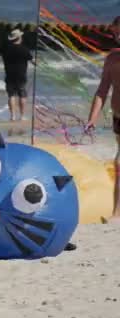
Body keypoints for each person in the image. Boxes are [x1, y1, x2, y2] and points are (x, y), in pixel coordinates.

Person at [85, 16, 120, 221]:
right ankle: (116, 212)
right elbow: (102, 91)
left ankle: (116, 214)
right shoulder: (112, 58)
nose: (118, 36)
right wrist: (92, 118)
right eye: (116, 32)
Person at [0, 29, 34, 121]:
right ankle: (22, 115)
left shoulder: (6, 49)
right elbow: (33, 60)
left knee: (11, 95)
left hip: (9, 75)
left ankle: (12, 116)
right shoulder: (24, 49)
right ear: (19, 37)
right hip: (21, 75)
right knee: (22, 95)